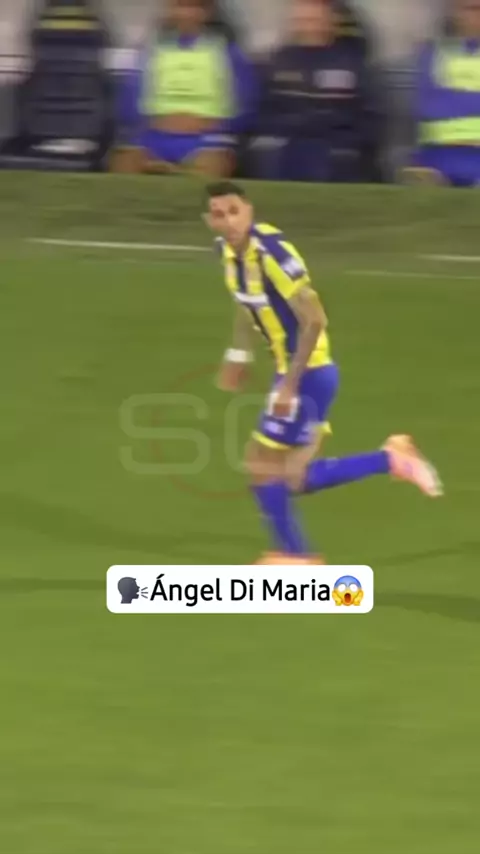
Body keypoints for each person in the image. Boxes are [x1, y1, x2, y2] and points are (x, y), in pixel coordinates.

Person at [204, 181, 443, 565]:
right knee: (292, 477)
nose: (229, 221)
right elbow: (246, 302)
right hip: (295, 372)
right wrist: (239, 352)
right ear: (209, 221)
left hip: (309, 372)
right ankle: (391, 459)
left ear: (249, 211)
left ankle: (296, 557)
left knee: (260, 464)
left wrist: (290, 385)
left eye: (235, 211)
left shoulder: (273, 255)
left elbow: (315, 319)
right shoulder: (227, 254)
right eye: (219, 214)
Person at [111, 0, 256, 178]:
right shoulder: (150, 52)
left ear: (207, 13)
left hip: (207, 139)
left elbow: (245, 104)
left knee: (212, 165)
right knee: (124, 161)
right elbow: (129, 101)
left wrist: (214, 126)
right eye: (180, 7)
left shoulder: (228, 53)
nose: (186, 14)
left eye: (193, 8)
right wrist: (153, 125)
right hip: (154, 135)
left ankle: (174, 172)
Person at [252, 0, 379, 183]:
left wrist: (345, 136)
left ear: (331, 21)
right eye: (301, 20)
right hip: (286, 142)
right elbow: (263, 110)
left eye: (313, 19)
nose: (307, 26)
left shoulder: (353, 64)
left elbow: (368, 117)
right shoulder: (277, 61)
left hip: (335, 145)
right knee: (267, 150)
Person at [408, 0, 480, 186]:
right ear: (455, 12)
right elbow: (428, 106)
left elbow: (443, 103)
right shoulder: (434, 53)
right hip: (438, 155)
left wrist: (452, 96)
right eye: (471, 9)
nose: (476, 16)